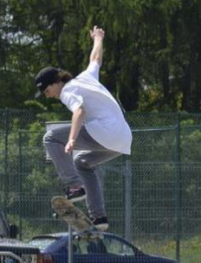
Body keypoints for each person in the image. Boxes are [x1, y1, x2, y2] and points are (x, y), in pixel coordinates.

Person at [35, 25, 132, 231]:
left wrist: (71, 138)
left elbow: (79, 111)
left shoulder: (67, 90)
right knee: (82, 162)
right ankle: (99, 217)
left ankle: (73, 185)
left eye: (46, 90)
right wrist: (98, 38)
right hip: (122, 139)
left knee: (50, 138)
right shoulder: (86, 77)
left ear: (56, 82)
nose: (47, 94)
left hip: (103, 132)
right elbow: (95, 59)